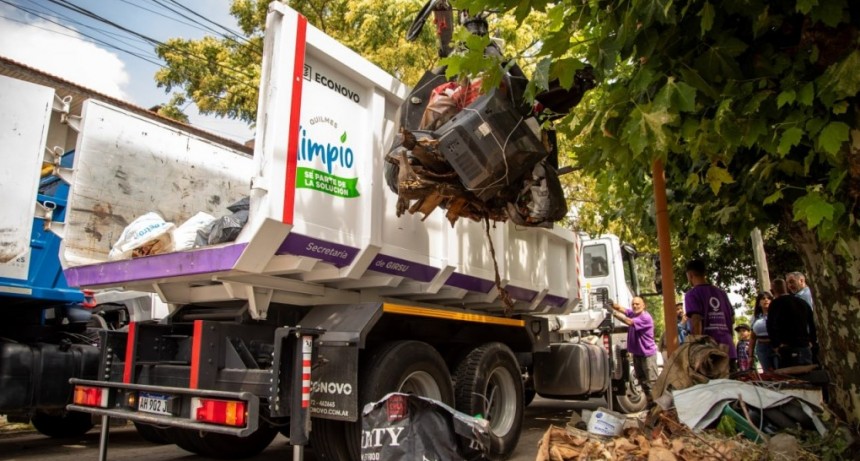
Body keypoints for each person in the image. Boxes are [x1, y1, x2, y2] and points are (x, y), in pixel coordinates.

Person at [684, 259, 737, 369]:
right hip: (728, 348)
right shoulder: (722, 293)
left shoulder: (692, 294)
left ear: (690, 275)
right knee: (733, 384)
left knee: (713, 386)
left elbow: (696, 319)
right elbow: (731, 319)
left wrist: (696, 345)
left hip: (709, 352)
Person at [609, 297, 658, 407]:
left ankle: (658, 408)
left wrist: (612, 312)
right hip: (638, 354)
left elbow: (628, 321)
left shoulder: (645, 317)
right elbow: (623, 310)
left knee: (651, 382)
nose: (635, 306)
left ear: (643, 305)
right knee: (642, 382)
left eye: (637, 304)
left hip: (647, 355)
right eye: (633, 304)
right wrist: (612, 304)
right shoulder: (634, 314)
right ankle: (651, 406)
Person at [767, 279, 817, 368]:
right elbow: (812, 323)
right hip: (804, 345)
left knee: (790, 377)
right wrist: (811, 340)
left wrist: (776, 345)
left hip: (787, 346)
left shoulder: (775, 304)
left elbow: (771, 326)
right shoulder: (802, 302)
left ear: (772, 291)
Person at [750, 291, 777, 371]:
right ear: (759, 302)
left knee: (780, 371)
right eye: (763, 298)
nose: (766, 300)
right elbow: (752, 338)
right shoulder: (755, 317)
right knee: (767, 373)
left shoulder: (777, 314)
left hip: (776, 346)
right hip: (762, 348)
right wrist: (750, 356)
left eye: (769, 298)